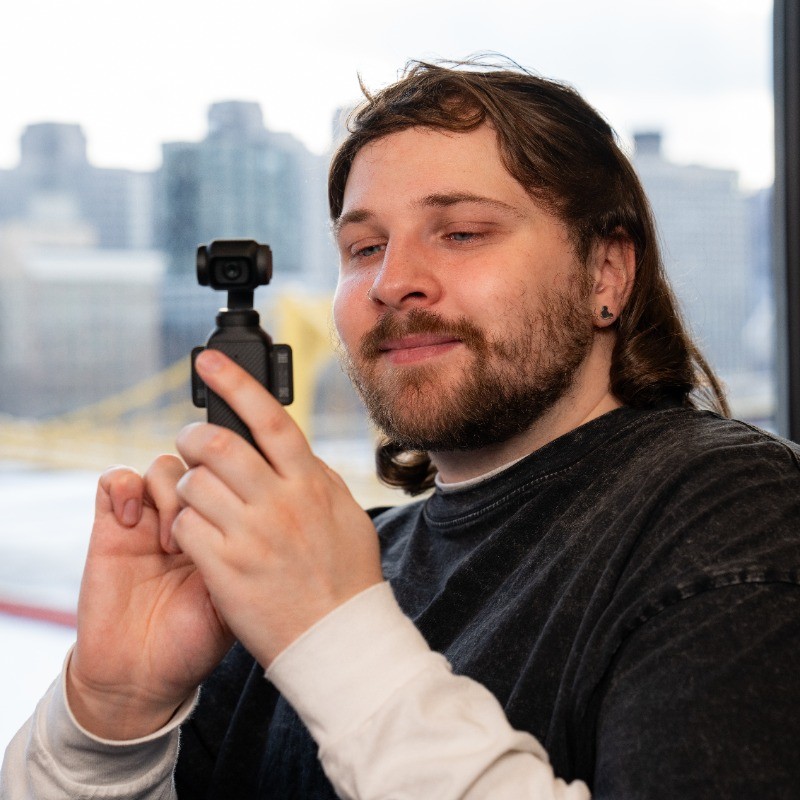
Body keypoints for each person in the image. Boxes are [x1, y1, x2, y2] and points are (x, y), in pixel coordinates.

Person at [2, 59, 800, 800]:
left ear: (606, 274)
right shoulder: (338, 564)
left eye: (461, 232)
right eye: (364, 246)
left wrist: (331, 630)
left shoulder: (737, 512)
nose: (393, 282)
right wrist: (111, 725)